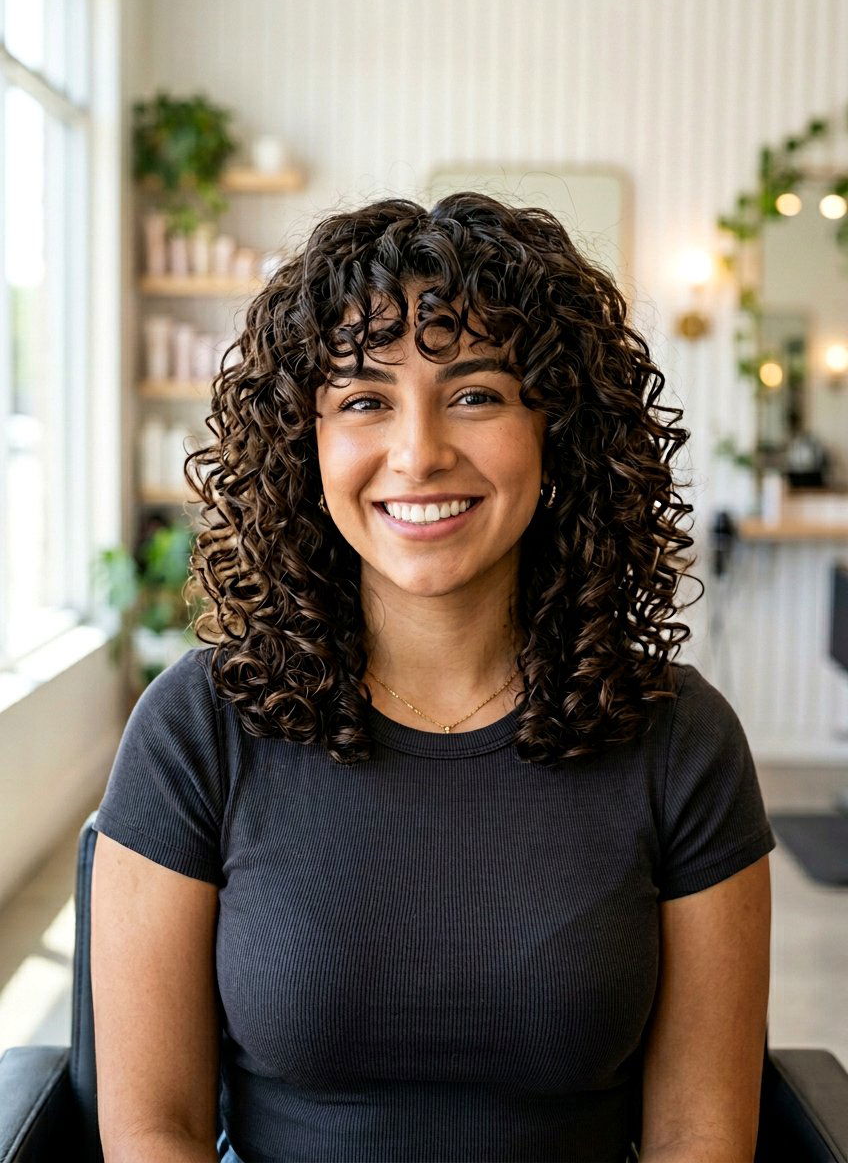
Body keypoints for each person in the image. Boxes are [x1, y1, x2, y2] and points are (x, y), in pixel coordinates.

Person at [91, 192, 775, 1163]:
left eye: (475, 393)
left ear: (556, 430)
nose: (418, 452)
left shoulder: (679, 738)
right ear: (305, 442)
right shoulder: (195, 727)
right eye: (365, 399)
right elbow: (153, 1129)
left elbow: (697, 1134)